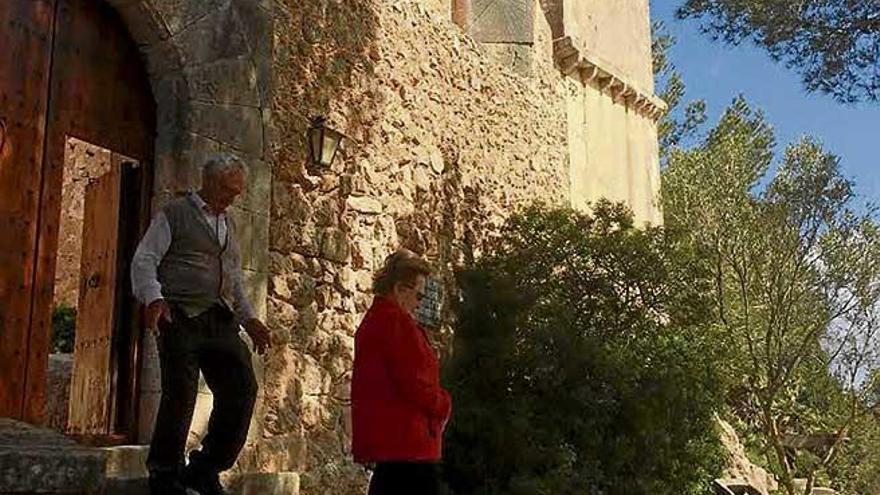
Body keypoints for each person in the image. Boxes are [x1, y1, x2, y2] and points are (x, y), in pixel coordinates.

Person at [131, 153, 271, 495]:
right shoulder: (175, 214)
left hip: (219, 319)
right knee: (180, 394)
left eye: (237, 192)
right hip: (179, 315)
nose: (231, 198)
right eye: (226, 189)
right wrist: (154, 298)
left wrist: (250, 318)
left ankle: (205, 469)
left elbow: (234, 279)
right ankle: (164, 474)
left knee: (241, 388)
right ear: (207, 181)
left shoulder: (229, 225)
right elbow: (145, 259)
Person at [351, 249, 452, 495]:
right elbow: (415, 382)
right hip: (408, 443)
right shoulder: (396, 323)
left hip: (393, 445)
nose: (419, 303)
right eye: (418, 295)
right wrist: (444, 405)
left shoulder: (375, 320)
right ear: (399, 289)